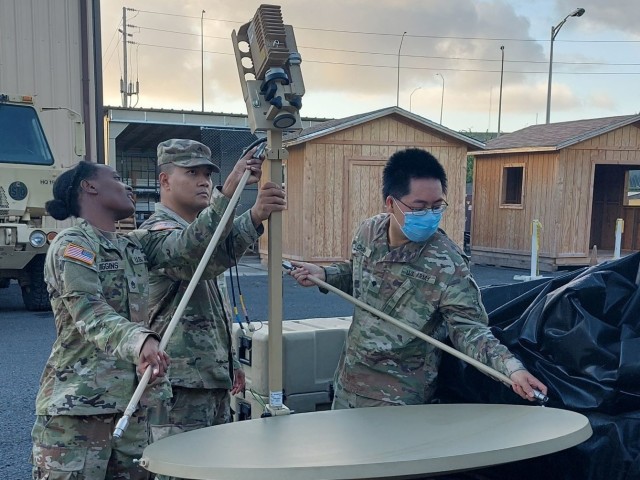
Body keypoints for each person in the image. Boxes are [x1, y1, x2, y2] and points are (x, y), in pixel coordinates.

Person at [31, 146, 266, 479]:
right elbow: (88, 310)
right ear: (90, 187)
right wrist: (140, 340)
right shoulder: (74, 244)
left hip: (134, 409)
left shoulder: (134, 245)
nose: (127, 186)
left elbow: (193, 247)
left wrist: (230, 195)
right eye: (114, 178)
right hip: (80, 412)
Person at [289, 148, 547, 409]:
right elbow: (358, 274)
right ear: (391, 204)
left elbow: (470, 329)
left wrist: (511, 369)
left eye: (437, 207)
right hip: (349, 382)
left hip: (400, 399)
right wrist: (324, 274)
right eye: (419, 207)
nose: (430, 215)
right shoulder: (369, 232)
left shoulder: (449, 263)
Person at [139, 139, 285, 449]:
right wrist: (229, 191)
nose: (204, 181)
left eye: (207, 174)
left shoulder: (203, 231)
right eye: (192, 172)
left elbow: (217, 258)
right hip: (177, 387)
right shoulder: (154, 232)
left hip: (209, 381)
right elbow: (190, 252)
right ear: (164, 180)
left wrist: (256, 214)